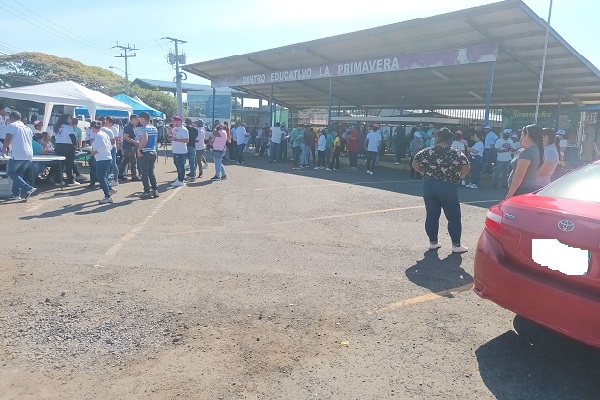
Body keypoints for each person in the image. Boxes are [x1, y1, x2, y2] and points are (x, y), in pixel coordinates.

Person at [412, 127, 470, 253]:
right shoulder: (456, 153)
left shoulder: (426, 152)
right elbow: (466, 168)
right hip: (448, 186)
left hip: (429, 185)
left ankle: (433, 242)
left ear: (437, 137)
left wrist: (424, 171)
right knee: (453, 217)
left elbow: (415, 164)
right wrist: (456, 174)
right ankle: (456, 245)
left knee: (432, 215)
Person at [1, 110, 36, 201]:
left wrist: (4, 148)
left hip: (18, 153)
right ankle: (16, 194)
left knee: (10, 172)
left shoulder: (12, 126)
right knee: (18, 174)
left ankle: (28, 188)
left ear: (12, 118)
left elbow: (8, 138)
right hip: (28, 154)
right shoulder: (27, 128)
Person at [506, 124, 544, 198]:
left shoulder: (527, 152)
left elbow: (519, 175)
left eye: (522, 134)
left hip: (521, 190)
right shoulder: (538, 150)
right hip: (530, 187)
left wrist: (510, 194)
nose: (520, 138)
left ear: (527, 135)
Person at [88, 121, 115, 204]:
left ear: (93, 128)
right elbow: (109, 146)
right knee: (102, 176)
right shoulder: (104, 134)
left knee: (100, 177)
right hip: (106, 157)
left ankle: (107, 196)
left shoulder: (99, 135)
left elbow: (102, 147)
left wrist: (94, 152)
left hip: (102, 158)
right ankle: (109, 189)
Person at [51, 114, 79, 186]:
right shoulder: (69, 127)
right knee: (69, 164)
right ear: (65, 119)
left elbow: (53, 137)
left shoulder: (56, 127)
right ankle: (71, 180)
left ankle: (58, 180)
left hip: (58, 146)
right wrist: (75, 145)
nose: (70, 120)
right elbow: (73, 137)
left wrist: (56, 143)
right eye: (69, 118)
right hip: (68, 146)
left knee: (59, 164)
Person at [137, 112, 160, 199]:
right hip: (153, 151)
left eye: (140, 118)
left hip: (145, 152)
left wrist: (139, 149)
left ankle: (146, 191)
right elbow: (155, 140)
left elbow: (144, 139)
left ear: (143, 119)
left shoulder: (144, 128)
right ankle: (154, 189)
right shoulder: (154, 128)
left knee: (144, 173)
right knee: (151, 171)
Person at [118, 114, 140, 181]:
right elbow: (126, 137)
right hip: (129, 147)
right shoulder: (128, 126)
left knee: (125, 161)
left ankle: (119, 174)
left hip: (129, 146)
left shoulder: (131, 126)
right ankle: (134, 176)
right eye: (137, 119)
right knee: (133, 161)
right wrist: (135, 142)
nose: (138, 121)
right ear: (133, 119)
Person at [169, 116, 189, 187]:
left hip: (181, 151)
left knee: (181, 166)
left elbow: (186, 140)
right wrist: (170, 130)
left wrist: (177, 140)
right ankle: (179, 178)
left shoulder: (184, 130)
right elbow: (170, 134)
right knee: (177, 164)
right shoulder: (175, 128)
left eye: (174, 121)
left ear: (178, 122)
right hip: (175, 150)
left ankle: (181, 180)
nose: (172, 123)